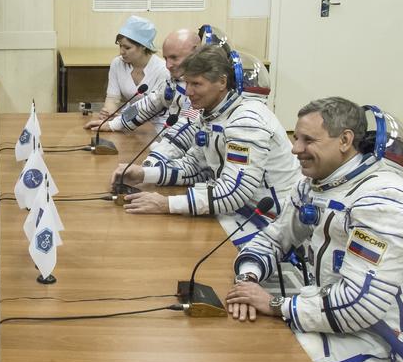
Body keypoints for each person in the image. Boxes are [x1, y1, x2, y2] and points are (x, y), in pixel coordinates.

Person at [225, 97, 403, 362]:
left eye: (308, 140)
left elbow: (360, 305)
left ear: (345, 140)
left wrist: (275, 304)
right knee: (249, 344)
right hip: (349, 319)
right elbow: (273, 238)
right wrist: (248, 280)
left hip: (395, 343)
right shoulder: (317, 183)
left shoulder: (383, 202)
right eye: (296, 137)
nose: (295, 149)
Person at [116, 43, 301, 237]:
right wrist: (144, 174)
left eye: (196, 84)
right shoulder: (211, 114)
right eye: (187, 83)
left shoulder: (247, 120)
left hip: (270, 222)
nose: (188, 92)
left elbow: (234, 192)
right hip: (241, 212)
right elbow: (195, 166)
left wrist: (166, 204)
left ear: (222, 82)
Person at [81, 15, 167, 128]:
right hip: (127, 121)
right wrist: (108, 114)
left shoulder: (163, 70)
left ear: (143, 47)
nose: (121, 52)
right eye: (120, 46)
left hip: (157, 126)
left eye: (127, 48)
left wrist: (119, 122)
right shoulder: (117, 64)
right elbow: (113, 98)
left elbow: (151, 108)